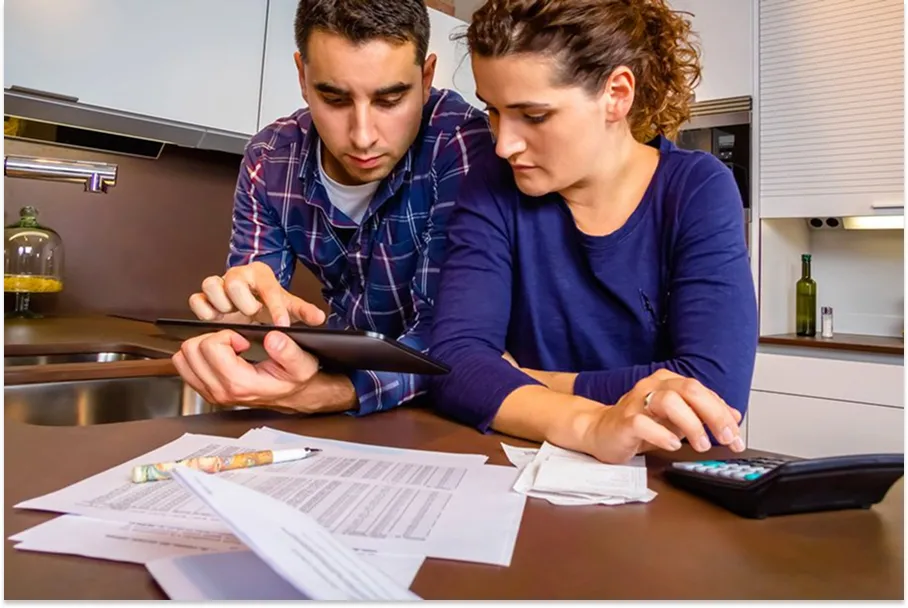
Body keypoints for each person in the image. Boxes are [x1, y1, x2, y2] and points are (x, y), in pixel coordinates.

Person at [429, 0, 759, 464]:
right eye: (495, 111)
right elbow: (454, 362)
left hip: (658, 478)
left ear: (616, 95)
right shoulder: (492, 183)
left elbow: (712, 394)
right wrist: (591, 424)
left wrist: (525, 381)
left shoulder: (696, 189)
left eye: (534, 116)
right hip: (519, 468)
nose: (504, 144)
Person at [171, 0, 492, 417]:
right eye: (335, 99)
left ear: (426, 77)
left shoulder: (462, 146)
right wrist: (242, 319)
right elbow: (256, 301)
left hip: (443, 408)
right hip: (341, 394)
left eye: (390, 99)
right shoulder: (269, 160)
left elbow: (451, 338)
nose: (363, 136)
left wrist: (329, 393)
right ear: (302, 77)